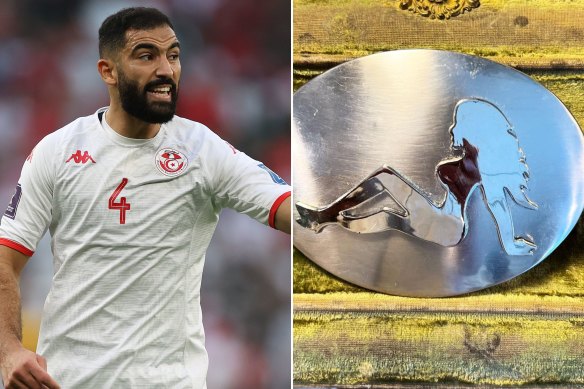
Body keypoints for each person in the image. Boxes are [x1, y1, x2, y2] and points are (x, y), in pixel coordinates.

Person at [0, 7, 290, 388]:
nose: (166, 70)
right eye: (146, 56)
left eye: (173, 55)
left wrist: (346, 214)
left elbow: (295, 211)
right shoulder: (57, 152)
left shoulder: (202, 150)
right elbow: (6, 260)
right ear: (108, 71)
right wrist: (9, 350)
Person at [296, 98, 536, 256]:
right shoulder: (464, 164)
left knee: (386, 180)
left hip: (449, 227)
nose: (452, 128)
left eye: (457, 123)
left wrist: (511, 245)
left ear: (471, 129)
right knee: (386, 216)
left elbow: (497, 204)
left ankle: (323, 217)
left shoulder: (484, 170)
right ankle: (324, 220)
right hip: (438, 216)